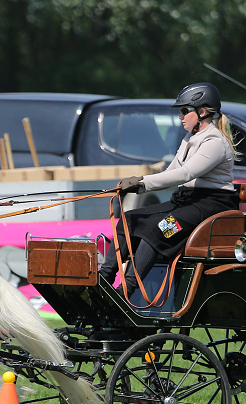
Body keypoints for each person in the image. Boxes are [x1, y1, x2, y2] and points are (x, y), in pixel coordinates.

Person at [99, 82, 238, 295]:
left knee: (160, 228)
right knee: (129, 220)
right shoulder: (190, 137)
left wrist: (142, 181)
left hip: (210, 205)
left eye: (184, 111)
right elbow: (170, 171)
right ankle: (104, 279)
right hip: (186, 202)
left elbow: (185, 174)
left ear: (202, 112)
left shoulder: (215, 142)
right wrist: (138, 186)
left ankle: (126, 290)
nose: (180, 116)